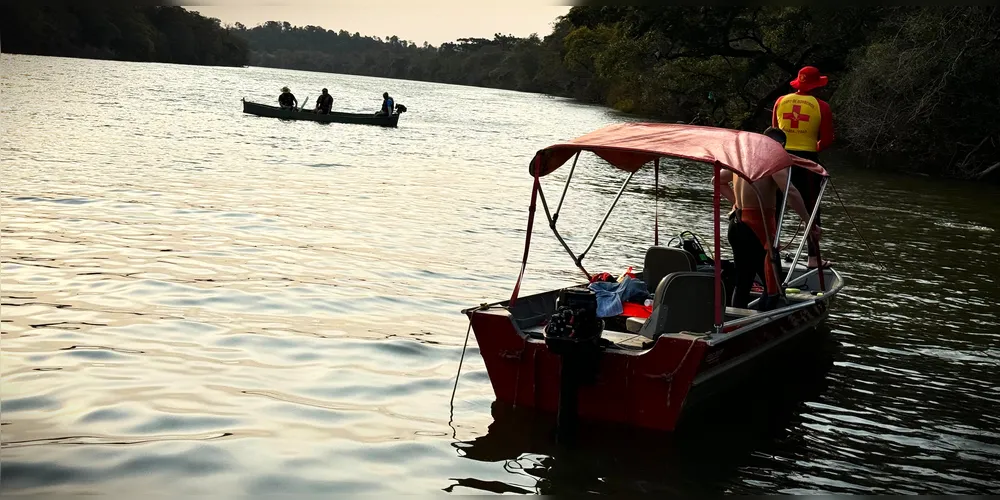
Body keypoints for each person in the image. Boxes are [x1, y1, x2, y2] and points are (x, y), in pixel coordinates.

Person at [715, 128, 821, 311]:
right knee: (774, 286)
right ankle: (763, 322)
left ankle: (737, 322)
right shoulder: (773, 158)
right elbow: (792, 194)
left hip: (736, 224)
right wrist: (809, 222)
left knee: (743, 281)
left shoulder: (744, 159)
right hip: (757, 228)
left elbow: (716, 181)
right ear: (780, 146)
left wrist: (738, 203)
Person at [772, 66, 834, 268]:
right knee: (812, 207)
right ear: (817, 85)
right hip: (807, 160)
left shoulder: (780, 101)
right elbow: (826, 140)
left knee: (776, 206)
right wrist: (813, 147)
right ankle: (813, 258)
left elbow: (774, 134)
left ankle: (772, 251)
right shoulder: (822, 106)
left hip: (781, 157)